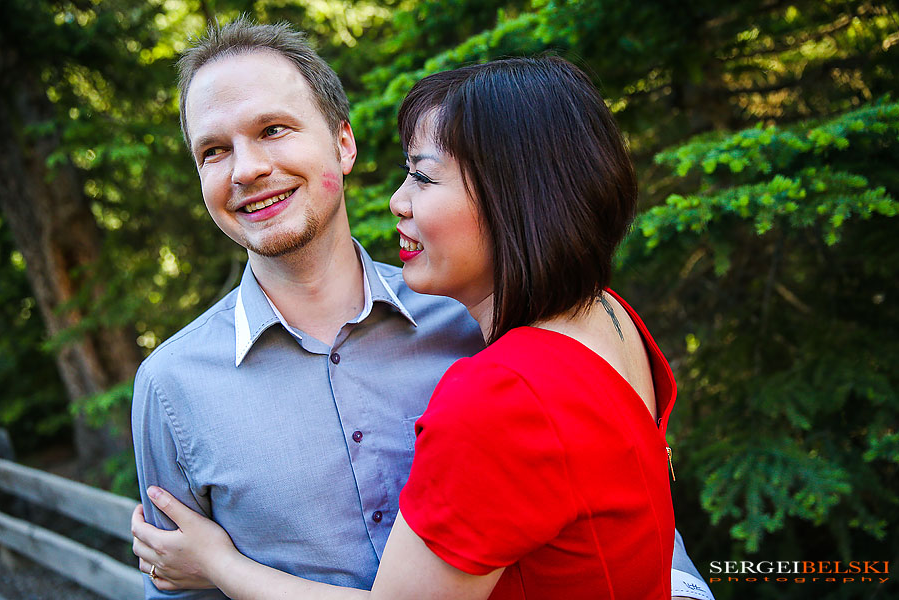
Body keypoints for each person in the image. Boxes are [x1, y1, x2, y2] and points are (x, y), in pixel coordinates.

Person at [131, 17, 713, 600]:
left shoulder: (484, 323)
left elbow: (623, 494)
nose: (246, 168)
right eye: (213, 150)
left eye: (274, 129)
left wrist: (222, 566)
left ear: (343, 142)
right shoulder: (171, 386)